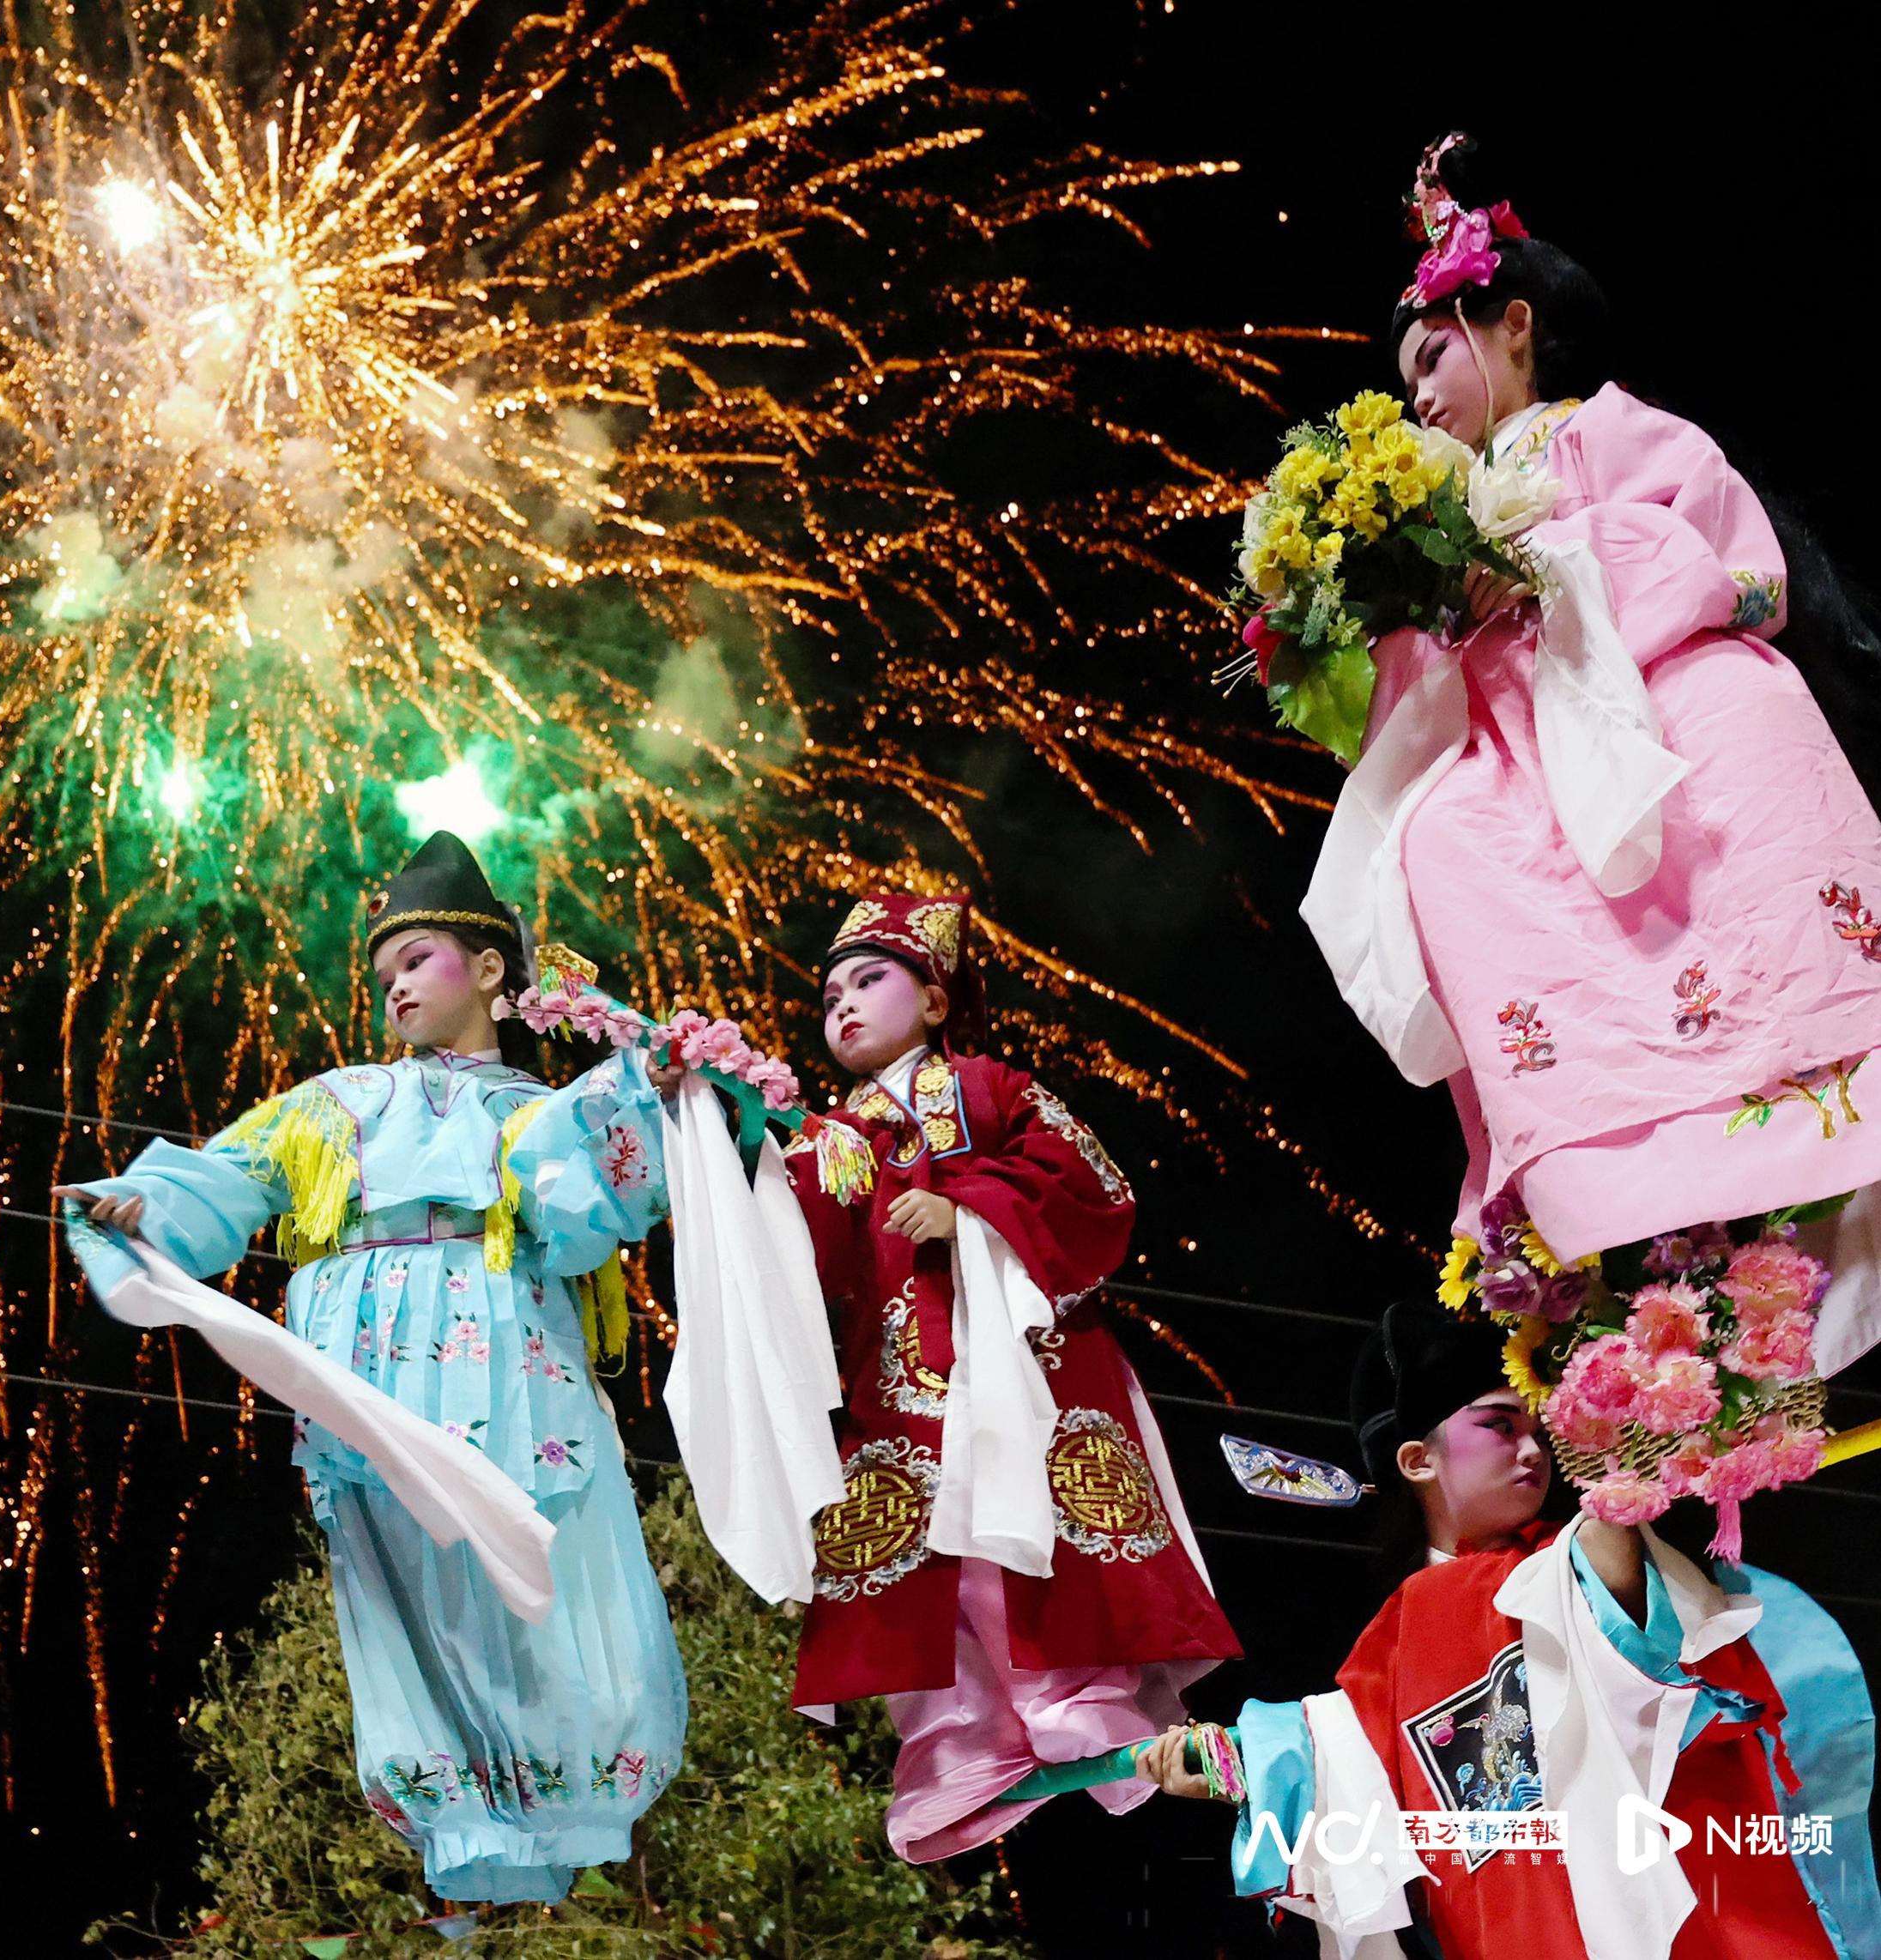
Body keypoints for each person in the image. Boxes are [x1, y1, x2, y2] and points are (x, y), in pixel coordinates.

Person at [1302, 133, 1881, 1376]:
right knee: (1446, 841)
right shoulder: (1425, 512)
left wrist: (1548, 566)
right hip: (1517, 744)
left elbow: (1733, 571)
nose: (1419, 398)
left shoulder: (1611, 432)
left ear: (1513, 326)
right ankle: (1612, 1184)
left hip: (1656, 683)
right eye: (1404, 383)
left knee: (1749, 721)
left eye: (1433, 358)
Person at [57, 831, 686, 1906]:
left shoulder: (533, 1112)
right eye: (386, 968)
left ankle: (562, 1807)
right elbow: (228, 1175)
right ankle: (458, 1823)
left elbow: (597, 1196)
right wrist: (142, 1208)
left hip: (508, 1364)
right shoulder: (331, 1105)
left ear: (490, 970)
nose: (394, 983)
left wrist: (655, 1083)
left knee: (533, 1586)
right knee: (401, 1603)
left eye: (419, 959)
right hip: (366, 1383)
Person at [1137, 1299, 1879, 1960]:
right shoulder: (1394, 1641)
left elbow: (1620, 1598)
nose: (1533, 1450)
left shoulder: (1573, 1563)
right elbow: (1337, 1778)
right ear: (1416, 1460)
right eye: (1498, 1425)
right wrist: (1234, 1772)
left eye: (1538, 1428)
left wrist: (1630, 1433)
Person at [781, 891, 1240, 1860]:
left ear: (939, 1001)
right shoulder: (831, 1137)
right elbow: (793, 1254)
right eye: (829, 997)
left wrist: (970, 1214)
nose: (845, 1006)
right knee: (924, 1567)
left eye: (870, 980)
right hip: (900, 1379)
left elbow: (1096, 1186)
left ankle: (1078, 1706)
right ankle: (958, 1745)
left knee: (1027, 1532)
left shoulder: (995, 1088)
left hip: (1030, 1363)